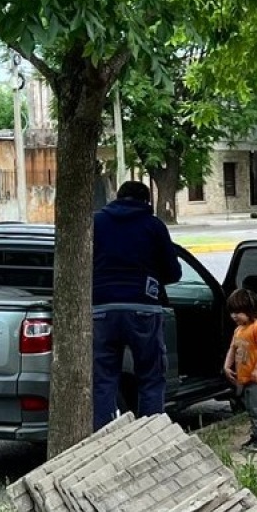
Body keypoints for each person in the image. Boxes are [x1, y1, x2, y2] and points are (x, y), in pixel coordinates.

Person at [92, 180, 182, 430]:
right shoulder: (153, 226)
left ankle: (102, 439)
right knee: (151, 378)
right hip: (144, 308)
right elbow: (174, 272)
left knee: (103, 380)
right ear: (146, 202)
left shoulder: (96, 223)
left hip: (100, 309)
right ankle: (151, 434)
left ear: (117, 198)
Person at [223, 288, 257, 452]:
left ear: (250, 310)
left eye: (238, 312)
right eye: (232, 312)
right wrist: (226, 366)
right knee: (251, 409)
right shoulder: (238, 330)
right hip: (244, 378)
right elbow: (233, 348)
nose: (234, 316)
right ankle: (256, 434)